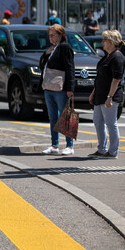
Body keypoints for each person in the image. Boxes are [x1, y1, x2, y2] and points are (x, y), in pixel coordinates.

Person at [88, 30, 125, 159]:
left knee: (111, 123)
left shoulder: (117, 57)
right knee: (98, 121)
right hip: (100, 94)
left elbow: (116, 79)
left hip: (110, 96)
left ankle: (113, 151)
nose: (102, 42)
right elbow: (100, 76)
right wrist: (94, 92)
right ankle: (101, 149)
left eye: (104, 40)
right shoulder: (107, 56)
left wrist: (110, 97)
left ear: (111, 42)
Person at [39, 24, 75, 155]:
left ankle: (70, 146)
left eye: (53, 35)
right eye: (49, 36)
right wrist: (45, 54)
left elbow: (70, 67)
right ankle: (54, 145)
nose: (51, 38)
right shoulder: (52, 49)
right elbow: (42, 66)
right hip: (49, 87)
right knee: (52, 117)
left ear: (60, 35)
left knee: (65, 116)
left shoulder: (64, 47)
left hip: (61, 88)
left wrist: (70, 88)